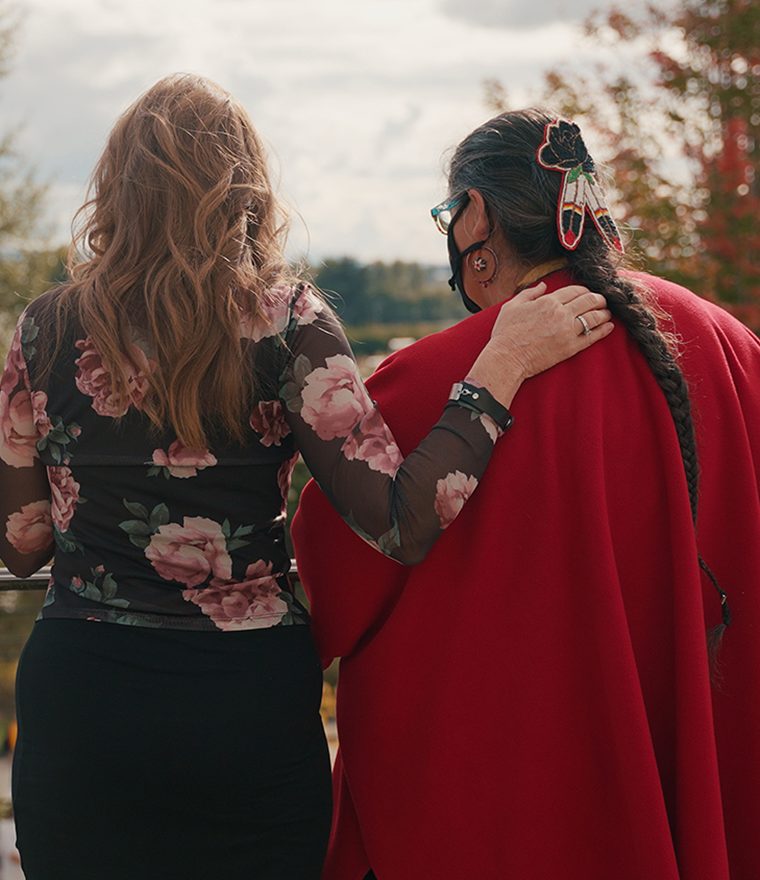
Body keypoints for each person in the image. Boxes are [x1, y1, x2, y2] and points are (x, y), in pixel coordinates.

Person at [0, 80, 612, 880]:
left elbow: (20, 545)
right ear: (242, 191)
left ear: (117, 190)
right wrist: (496, 369)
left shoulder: (44, 326)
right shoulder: (288, 321)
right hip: (242, 711)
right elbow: (399, 521)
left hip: (84, 705)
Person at [292, 110, 760, 880]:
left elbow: (316, 596)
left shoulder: (423, 385)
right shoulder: (728, 347)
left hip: (496, 815)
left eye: (452, 216)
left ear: (476, 217)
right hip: (697, 790)